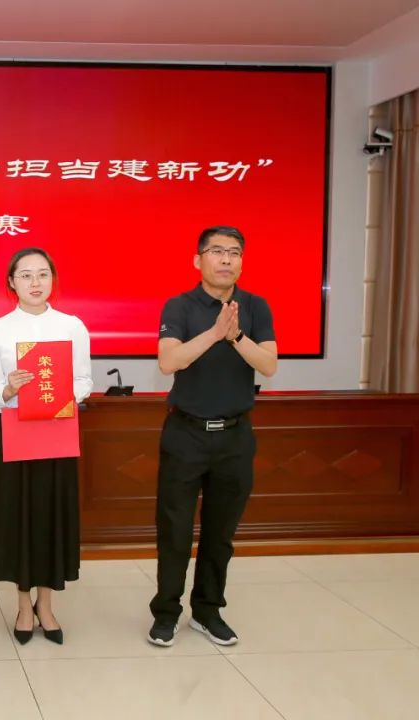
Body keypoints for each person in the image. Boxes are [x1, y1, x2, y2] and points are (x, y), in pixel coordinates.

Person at [147, 225, 278, 648]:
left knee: (220, 534)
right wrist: (214, 332)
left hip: (235, 439)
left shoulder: (255, 307)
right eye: (217, 251)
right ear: (198, 259)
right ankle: (166, 613)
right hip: (186, 434)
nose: (226, 259)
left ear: (242, 261)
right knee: (175, 531)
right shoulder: (180, 306)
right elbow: (169, 361)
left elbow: (269, 364)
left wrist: (236, 335)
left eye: (234, 252)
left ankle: (207, 611)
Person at [0, 247, 91, 645]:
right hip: (15, 432)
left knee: (51, 517)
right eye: (26, 275)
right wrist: (9, 389)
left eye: (43, 274)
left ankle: (47, 603)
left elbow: (84, 381)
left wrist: (60, 394)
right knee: (19, 518)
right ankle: (24, 605)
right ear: (12, 282)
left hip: (57, 432)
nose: (35, 282)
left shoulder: (72, 326)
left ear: (52, 279)